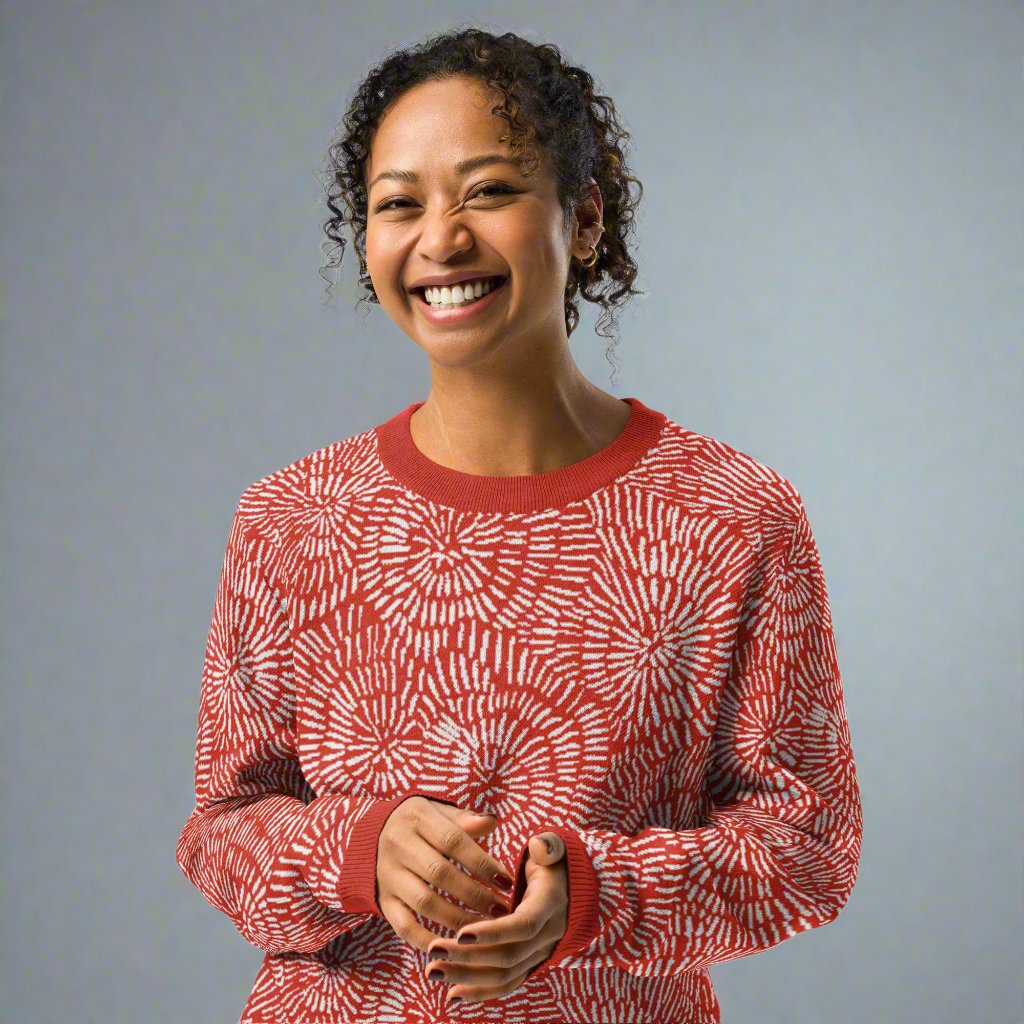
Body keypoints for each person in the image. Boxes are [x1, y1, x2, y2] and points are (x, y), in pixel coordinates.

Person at [175, 25, 863, 1024]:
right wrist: (358, 849)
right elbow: (220, 831)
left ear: (582, 219)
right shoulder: (293, 520)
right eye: (398, 204)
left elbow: (807, 847)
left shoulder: (731, 517)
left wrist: (591, 895)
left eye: (488, 190)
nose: (440, 238)